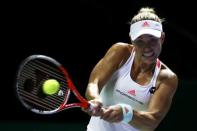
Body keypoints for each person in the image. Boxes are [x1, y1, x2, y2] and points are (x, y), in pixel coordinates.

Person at [83, 7, 178, 131]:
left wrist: (126, 113)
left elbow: (152, 122)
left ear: (162, 38)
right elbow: (93, 84)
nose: (147, 47)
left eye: (152, 40)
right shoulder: (119, 52)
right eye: (140, 41)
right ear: (131, 39)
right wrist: (95, 99)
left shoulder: (167, 78)